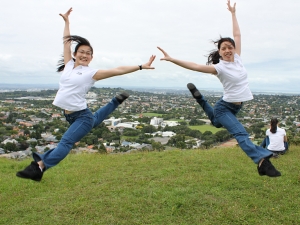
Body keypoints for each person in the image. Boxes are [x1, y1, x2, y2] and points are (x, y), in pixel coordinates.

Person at [16, 7, 156, 181]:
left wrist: (141, 66)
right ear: (75, 55)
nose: (84, 54)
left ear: (91, 57)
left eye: (88, 53)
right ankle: (115, 101)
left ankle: (39, 167)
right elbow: (66, 42)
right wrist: (67, 22)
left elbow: (118, 70)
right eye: (81, 51)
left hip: (81, 116)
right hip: (72, 116)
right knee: (95, 119)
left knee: (67, 141)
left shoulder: (91, 73)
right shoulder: (68, 65)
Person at [157, 0, 281, 177]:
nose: (228, 50)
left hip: (237, 106)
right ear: (220, 52)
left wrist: (233, 13)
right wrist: (172, 59)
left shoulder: (238, 59)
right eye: (224, 48)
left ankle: (200, 99)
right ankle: (262, 162)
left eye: (230, 47)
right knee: (241, 133)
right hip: (225, 107)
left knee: (215, 123)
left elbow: (237, 34)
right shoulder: (219, 68)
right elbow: (194, 66)